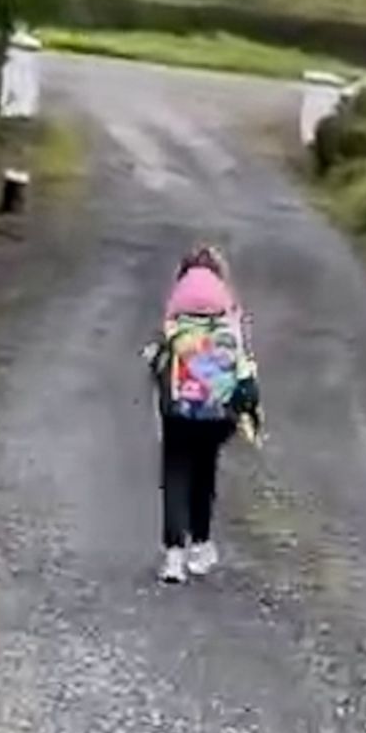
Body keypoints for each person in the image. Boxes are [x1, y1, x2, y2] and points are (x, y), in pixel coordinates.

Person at [141, 245, 261, 584]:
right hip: (216, 411)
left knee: (176, 470)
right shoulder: (230, 314)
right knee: (204, 470)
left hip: (177, 408)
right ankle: (201, 547)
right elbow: (243, 363)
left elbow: (157, 359)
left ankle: (173, 556)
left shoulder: (175, 315)